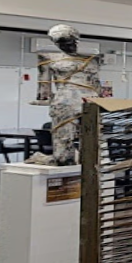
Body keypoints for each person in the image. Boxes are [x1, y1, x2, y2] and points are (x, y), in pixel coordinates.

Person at [27, 25, 102, 166]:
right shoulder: (92, 59)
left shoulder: (47, 57)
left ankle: (61, 159)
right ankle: (83, 161)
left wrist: (42, 100)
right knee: (91, 139)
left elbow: (44, 89)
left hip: (67, 101)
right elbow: (97, 85)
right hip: (91, 100)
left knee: (64, 142)